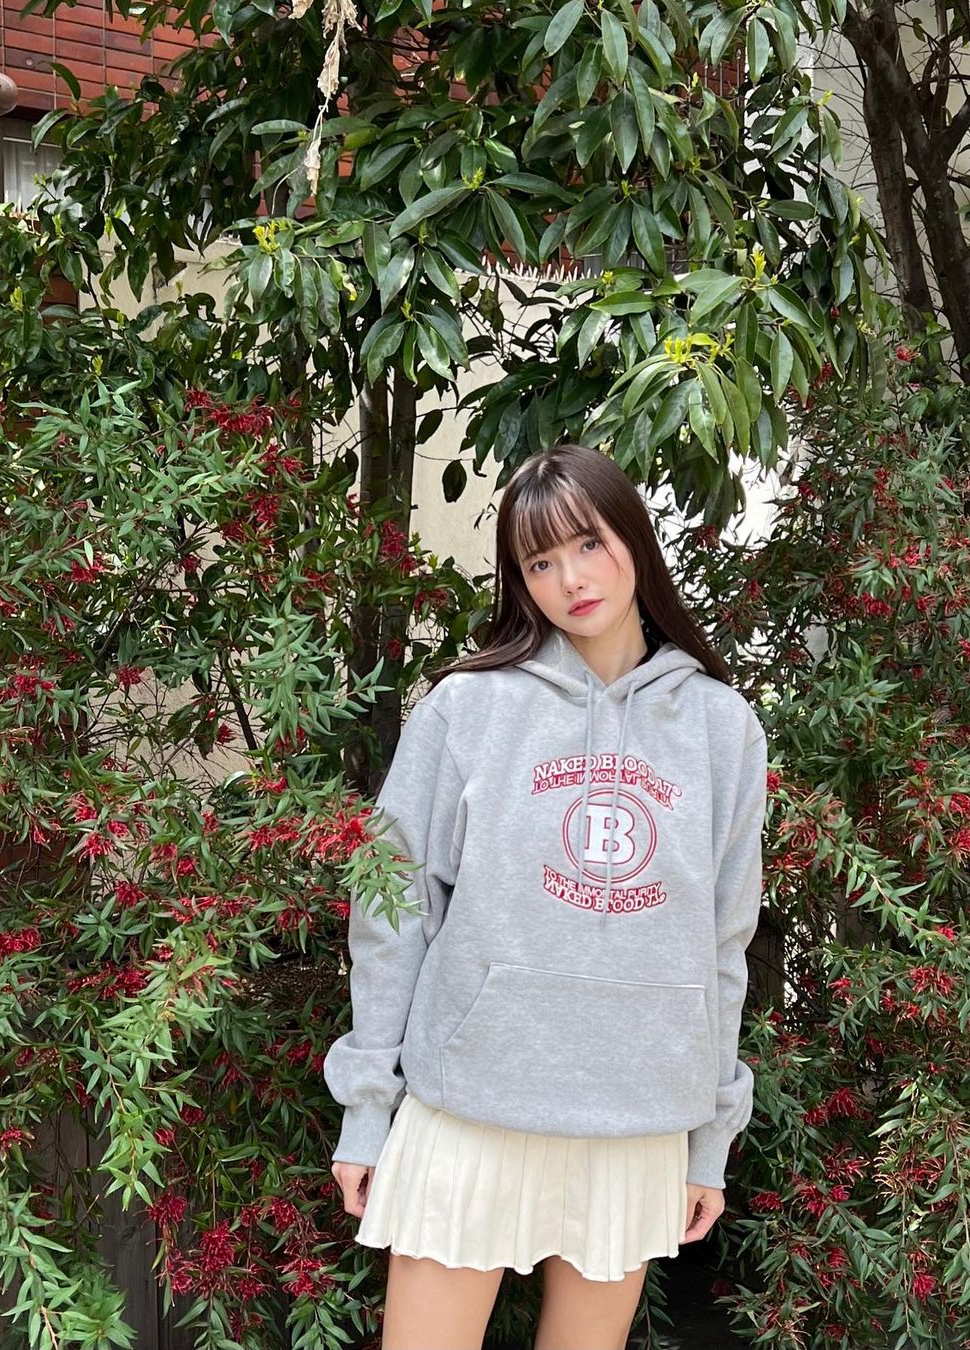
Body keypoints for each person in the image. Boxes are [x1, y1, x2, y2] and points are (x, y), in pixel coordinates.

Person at [325, 443, 769, 1350]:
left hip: (637, 1114)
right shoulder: (467, 709)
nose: (571, 579)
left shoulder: (721, 729)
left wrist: (709, 1137)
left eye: (589, 543)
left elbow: (724, 942)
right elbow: (393, 911)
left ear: (634, 540)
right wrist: (368, 1110)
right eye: (539, 562)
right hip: (470, 1103)